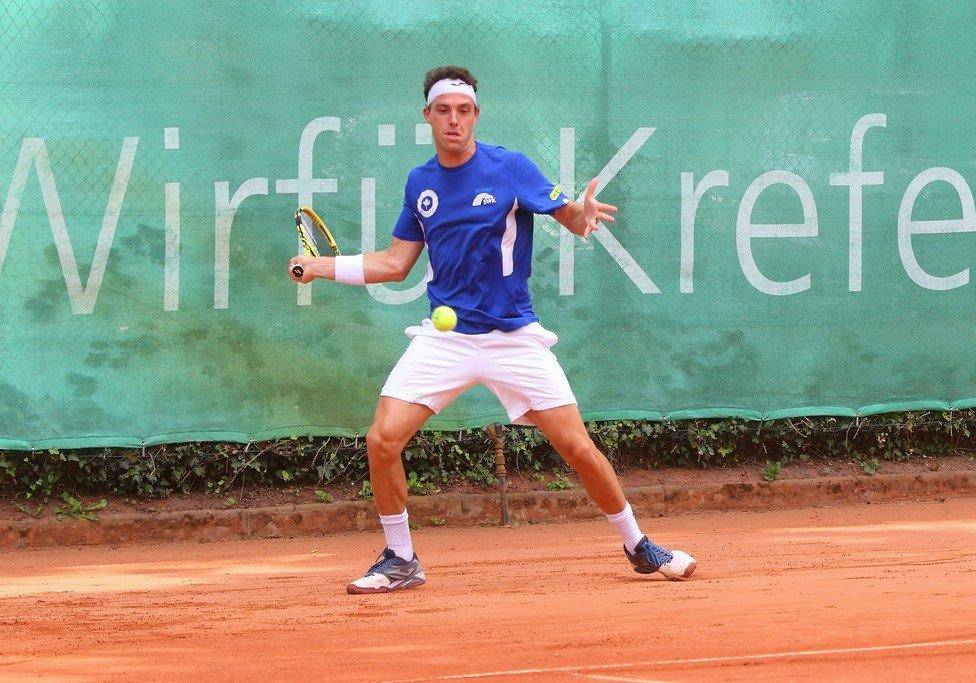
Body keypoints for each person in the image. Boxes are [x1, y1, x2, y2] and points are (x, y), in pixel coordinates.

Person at [288, 65, 697, 594]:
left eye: (463, 110)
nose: (454, 120)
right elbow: (395, 263)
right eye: (443, 111)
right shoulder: (419, 183)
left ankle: (638, 544)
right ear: (428, 116)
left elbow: (571, 218)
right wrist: (319, 267)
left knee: (577, 447)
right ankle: (401, 558)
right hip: (446, 338)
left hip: (513, 337)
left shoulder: (510, 168)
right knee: (382, 440)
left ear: (476, 115)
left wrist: (585, 213)